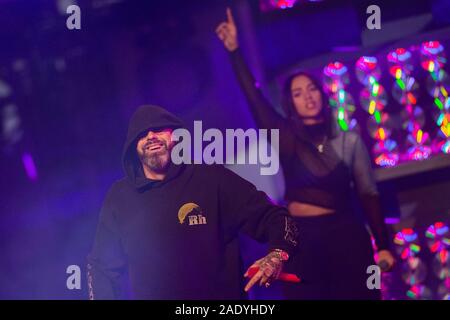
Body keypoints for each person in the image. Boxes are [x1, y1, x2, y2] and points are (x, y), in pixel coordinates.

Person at [216, 8, 395, 300]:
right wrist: (235, 51)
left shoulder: (349, 141)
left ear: (322, 95)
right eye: (298, 93)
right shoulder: (286, 137)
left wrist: (383, 244)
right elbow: (254, 98)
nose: (308, 96)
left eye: (312, 89)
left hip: (346, 236)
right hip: (303, 239)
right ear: (290, 103)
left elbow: (368, 194)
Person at [87, 105, 299, 299]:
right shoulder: (120, 196)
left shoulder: (212, 179)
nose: (150, 136)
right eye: (141, 134)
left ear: (176, 138)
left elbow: (276, 217)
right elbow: (101, 266)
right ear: (133, 147)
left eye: (159, 129)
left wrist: (276, 255)